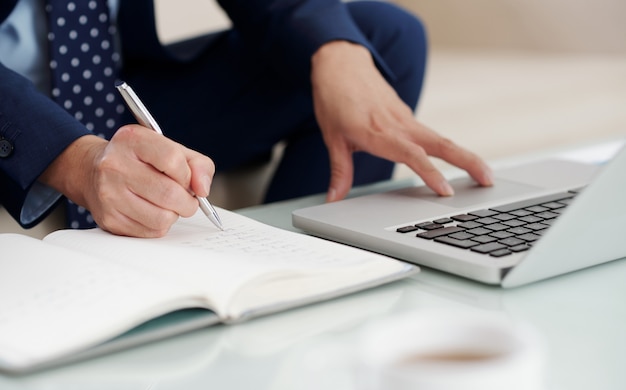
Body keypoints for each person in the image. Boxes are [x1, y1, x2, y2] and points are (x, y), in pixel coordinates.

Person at [0, 0, 493, 238]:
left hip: (111, 83)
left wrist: (332, 49)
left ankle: (297, 269)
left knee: (382, 36)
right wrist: (75, 159)